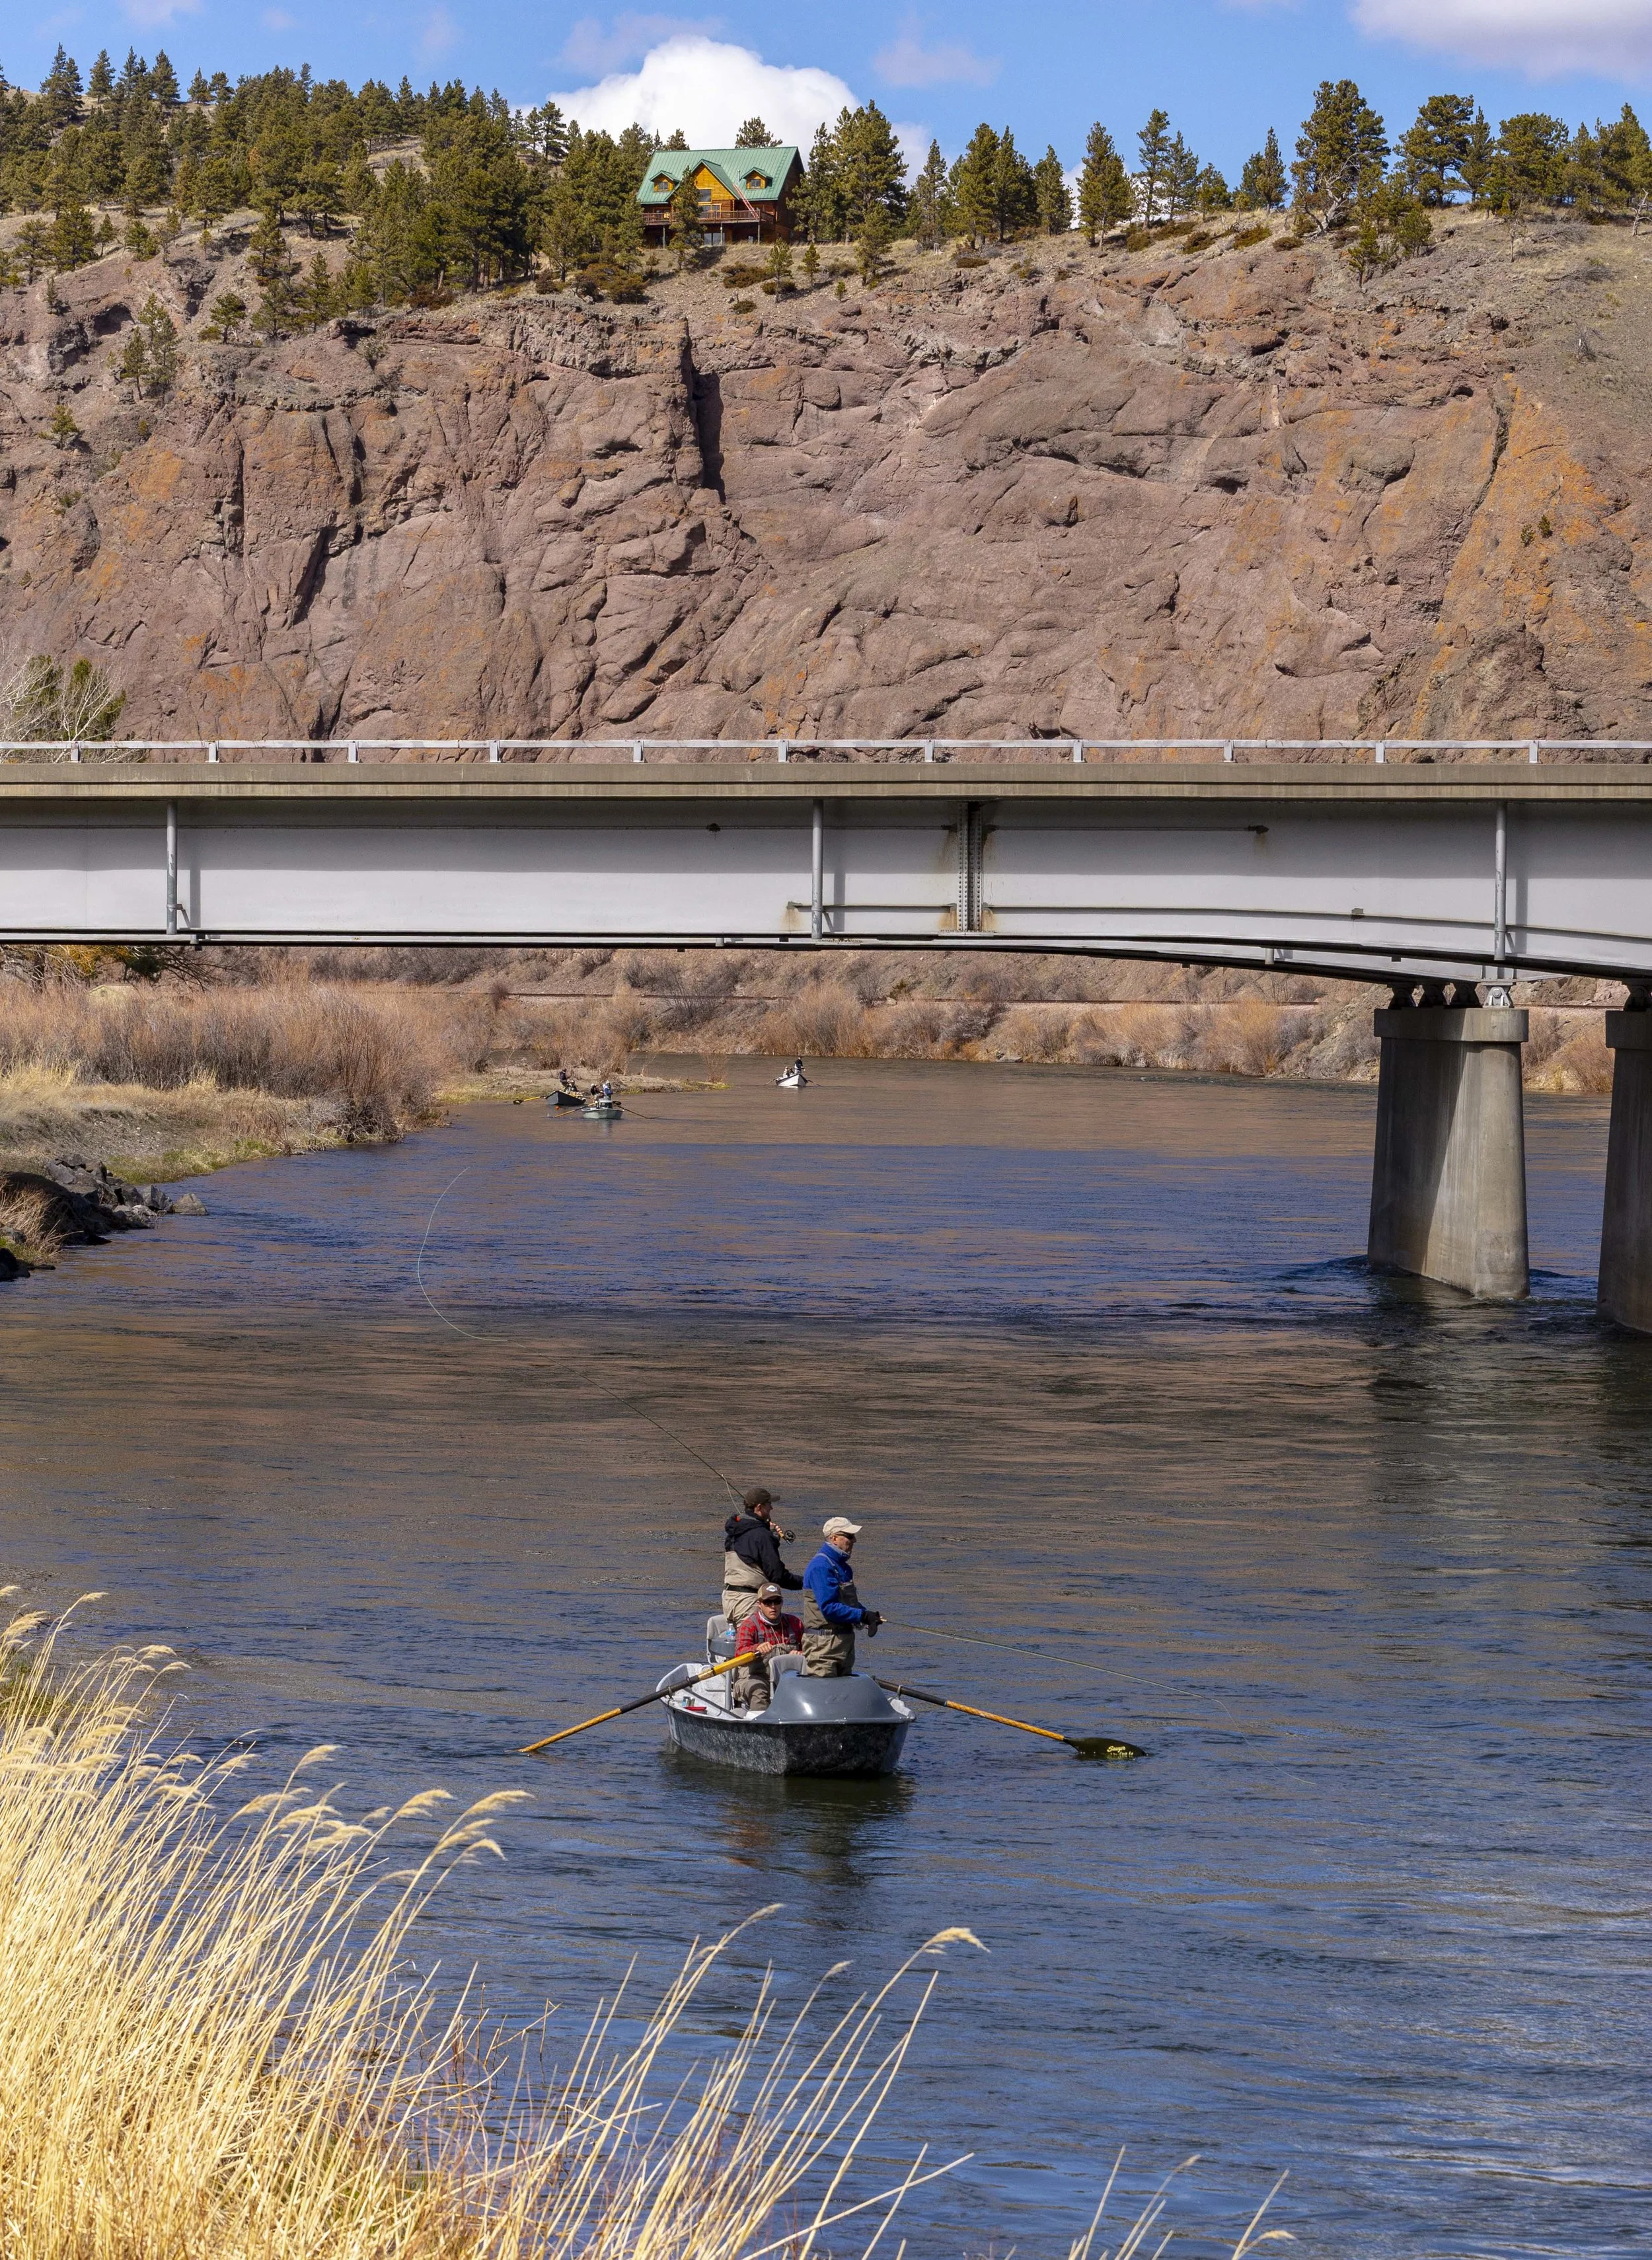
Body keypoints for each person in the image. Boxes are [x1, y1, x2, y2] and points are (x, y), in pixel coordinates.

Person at [800, 1516, 882, 1677]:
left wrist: (868, 1616)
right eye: (850, 1536)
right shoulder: (821, 1566)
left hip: (843, 1643)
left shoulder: (844, 1568)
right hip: (823, 1646)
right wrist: (862, 1615)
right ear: (834, 1538)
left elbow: (848, 1603)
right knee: (824, 1697)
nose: (854, 1540)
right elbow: (829, 1608)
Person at [721, 1486, 801, 1626]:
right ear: (759, 1507)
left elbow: (750, 1549)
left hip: (730, 1599)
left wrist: (769, 1533)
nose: (772, 1508)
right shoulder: (762, 1536)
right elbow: (777, 1576)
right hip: (749, 1602)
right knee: (755, 1646)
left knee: (742, 1644)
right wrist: (807, 1583)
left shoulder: (735, 1531)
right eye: (769, 1504)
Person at [732, 1582, 804, 1711]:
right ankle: (760, 1726)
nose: (773, 1607)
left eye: (777, 1602)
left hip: (790, 1678)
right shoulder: (749, 1626)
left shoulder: (795, 1623)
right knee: (758, 1692)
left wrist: (802, 1654)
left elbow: (810, 1650)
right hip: (755, 1677)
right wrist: (756, 1649)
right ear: (759, 1604)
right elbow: (739, 1653)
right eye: (768, 1603)